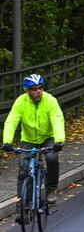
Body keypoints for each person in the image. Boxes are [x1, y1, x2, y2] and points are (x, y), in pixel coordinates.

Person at [3, 74, 66, 206]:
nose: (38, 91)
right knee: (24, 167)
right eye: (34, 89)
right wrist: (7, 142)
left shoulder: (50, 100)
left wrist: (59, 140)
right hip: (28, 139)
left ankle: (51, 189)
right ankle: (23, 201)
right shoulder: (21, 101)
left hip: (47, 137)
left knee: (51, 158)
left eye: (40, 87)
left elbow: (57, 119)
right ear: (27, 90)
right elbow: (11, 120)